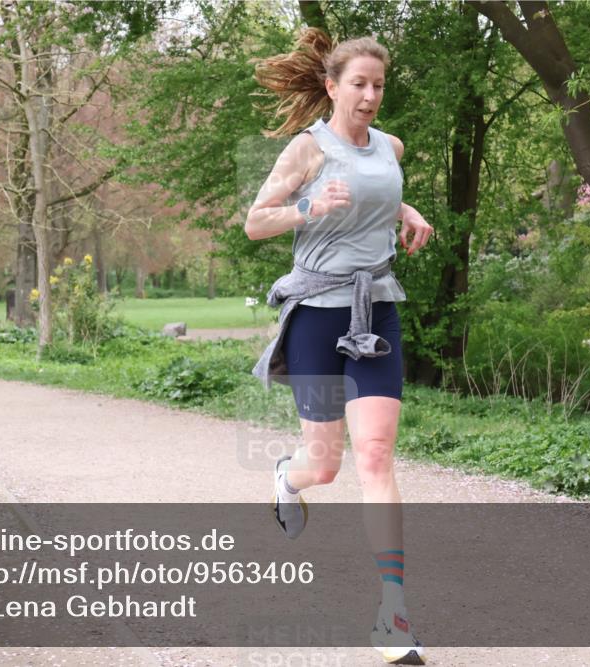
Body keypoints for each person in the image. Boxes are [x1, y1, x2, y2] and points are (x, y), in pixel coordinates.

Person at [246, 29, 433, 665]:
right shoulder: (307, 148)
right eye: (359, 84)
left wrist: (405, 212)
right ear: (332, 87)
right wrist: (308, 206)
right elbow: (255, 222)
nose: (370, 96)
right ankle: (287, 477)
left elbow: (376, 190)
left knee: (375, 454)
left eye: (378, 85)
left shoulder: (391, 147)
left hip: (376, 311)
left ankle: (392, 612)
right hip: (318, 319)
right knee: (324, 465)